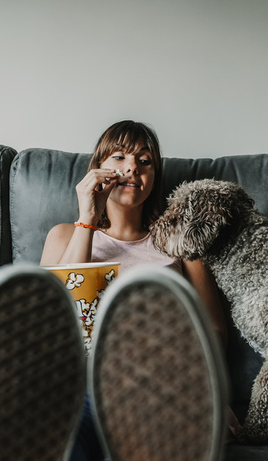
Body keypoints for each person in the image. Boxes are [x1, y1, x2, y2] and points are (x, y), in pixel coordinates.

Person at [40, 120, 231, 460]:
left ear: (154, 177)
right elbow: (49, 326)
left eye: (145, 161)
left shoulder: (179, 242)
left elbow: (215, 331)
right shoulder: (64, 236)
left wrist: (206, 391)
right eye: (119, 157)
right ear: (97, 168)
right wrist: (87, 219)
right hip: (78, 389)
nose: (132, 167)